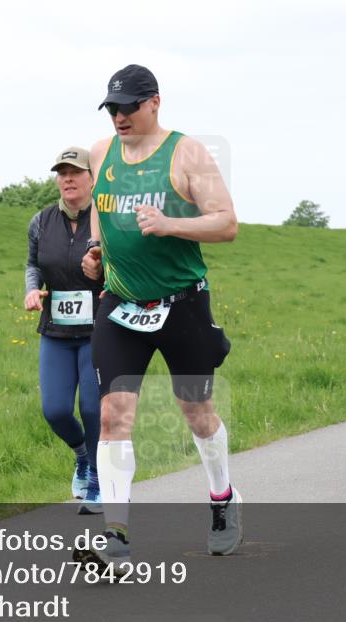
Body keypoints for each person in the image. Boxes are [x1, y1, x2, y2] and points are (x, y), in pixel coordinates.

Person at [72, 64, 239, 569]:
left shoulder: (187, 153)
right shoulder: (101, 153)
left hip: (182, 303)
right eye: (112, 108)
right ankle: (115, 535)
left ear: (154, 103)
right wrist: (95, 248)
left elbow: (227, 223)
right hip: (120, 304)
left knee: (197, 411)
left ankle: (222, 498)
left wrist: (171, 224)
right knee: (111, 415)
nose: (119, 116)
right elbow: (100, 205)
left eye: (128, 107)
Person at [24, 147, 102, 514]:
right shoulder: (41, 221)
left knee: (91, 408)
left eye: (75, 172)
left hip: (97, 329)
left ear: (91, 178)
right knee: (55, 410)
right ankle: (82, 456)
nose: (67, 179)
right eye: (62, 172)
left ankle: (100, 482)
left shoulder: (104, 220)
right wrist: (30, 289)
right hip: (56, 329)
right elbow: (32, 264)